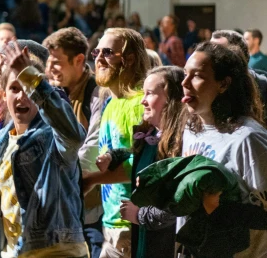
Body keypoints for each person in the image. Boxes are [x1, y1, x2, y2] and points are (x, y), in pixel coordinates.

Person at [0, 41, 88, 257]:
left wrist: (32, 78)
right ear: (4, 94)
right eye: (14, 88)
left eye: (26, 89)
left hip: (57, 250)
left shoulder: (53, 134)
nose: (21, 96)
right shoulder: (0, 141)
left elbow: (74, 135)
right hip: (13, 251)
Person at [180, 41, 267, 257]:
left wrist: (217, 208)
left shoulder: (248, 138)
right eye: (185, 74)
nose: (185, 82)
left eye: (197, 76)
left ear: (224, 84)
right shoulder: (191, 129)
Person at [96, 66, 185, 258]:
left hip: (163, 247)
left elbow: (177, 205)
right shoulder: (150, 134)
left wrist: (139, 215)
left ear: (171, 99)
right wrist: (114, 156)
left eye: (150, 94)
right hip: (143, 241)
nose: (143, 100)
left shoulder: (180, 145)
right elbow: (135, 154)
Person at [82, 28, 150, 258]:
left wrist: (93, 179)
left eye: (108, 52)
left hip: (131, 225)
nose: (99, 58)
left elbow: (144, 164)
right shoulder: (110, 103)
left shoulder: (141, 103)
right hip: (112, 222)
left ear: (129, 59)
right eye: (97, 52)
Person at [43, 27, 106, 258]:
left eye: (57, 62)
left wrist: (57, 177)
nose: (50, 69)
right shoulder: (50, 93)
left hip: (90, 208)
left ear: (79, 60)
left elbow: (92, 148)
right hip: (56, 210)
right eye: (48, 62)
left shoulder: (98, 94)